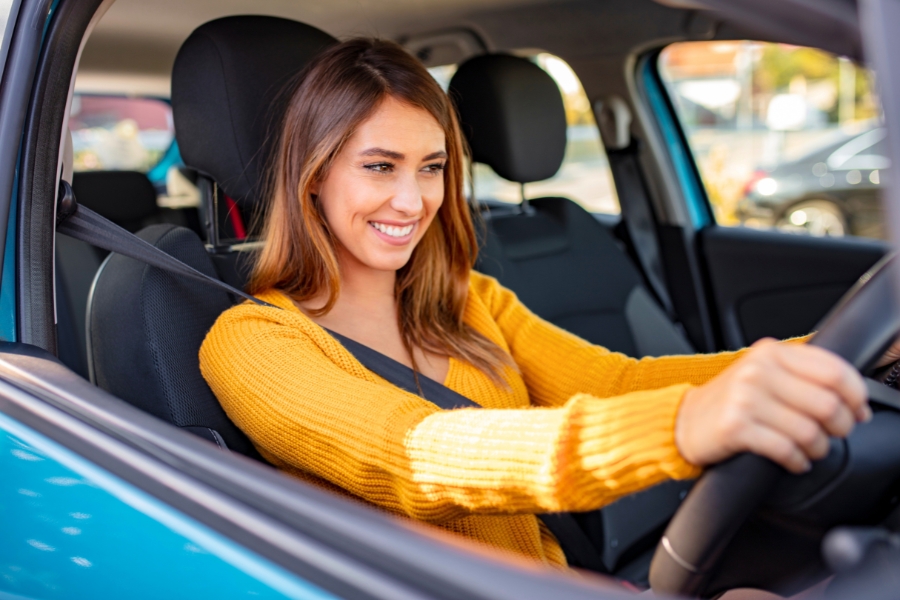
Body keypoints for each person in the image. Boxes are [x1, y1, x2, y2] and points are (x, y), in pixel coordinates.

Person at [198, 38, 896, 573]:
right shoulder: (253, 340)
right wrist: (684, 426)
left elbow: (619, 383)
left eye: (432, 167)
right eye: (379, 166)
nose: (413, 202)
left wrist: (833, 353)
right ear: (314, 175)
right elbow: (414, 456)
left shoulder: (468, 300)